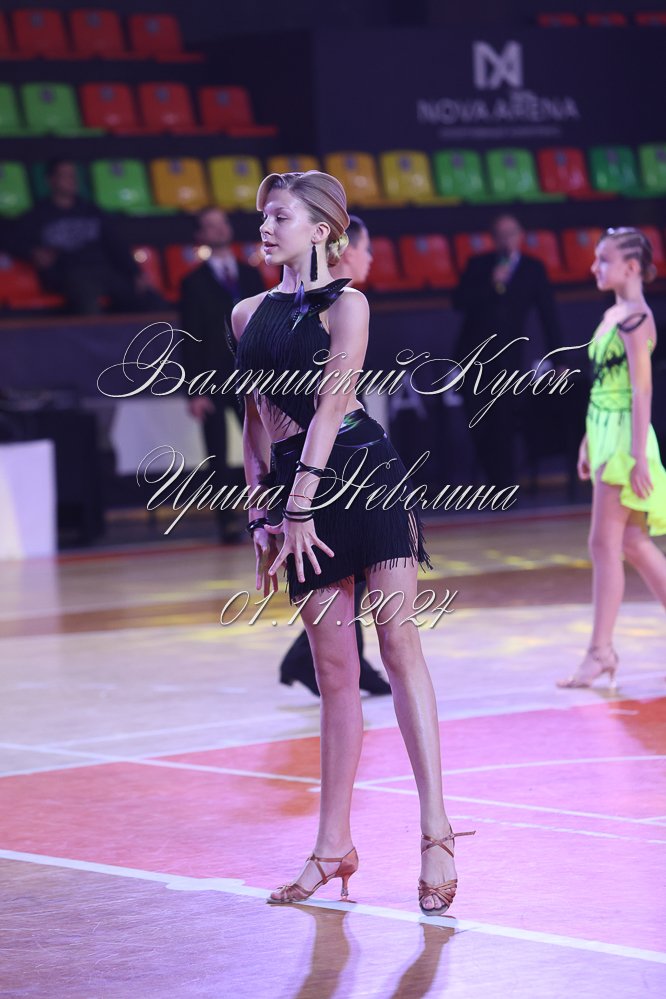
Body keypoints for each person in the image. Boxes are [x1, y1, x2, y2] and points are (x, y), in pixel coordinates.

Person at [229, 170, 474, 914]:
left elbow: (334, 406)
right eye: (264, 217)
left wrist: (300, 503)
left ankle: (436, 830)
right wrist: (262, 516)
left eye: (279, 217)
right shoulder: (245, 313)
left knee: (398, 647)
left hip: (366, 479)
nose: (265, 227)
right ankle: (332, 846)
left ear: (320, 231)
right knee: (335, 674)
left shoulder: (349, 303)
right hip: (295, 498)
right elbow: (254, 423)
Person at [277, 213, 390, 695]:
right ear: (346, 247)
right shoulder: (315, 306)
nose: (371, 259)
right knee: (341, 568)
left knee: (350, 570)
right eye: (367, 248)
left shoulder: (349, 306)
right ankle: (312, 660)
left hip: (343, 447)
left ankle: (326, 660)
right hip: (319, 455)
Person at [558, 228, 666, 690]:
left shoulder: (636, 318)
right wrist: (588, 440)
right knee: (633, 543)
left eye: (604, 260)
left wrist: (637, 455)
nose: (594, 267)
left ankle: (599, 651)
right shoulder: (612, 314)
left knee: (605, 545)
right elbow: (604, 384)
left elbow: (641, 389)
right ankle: (600, 652)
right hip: (604, 432)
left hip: (624, 437)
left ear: (632, 267)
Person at [452, 213, 562, 487]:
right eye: (500, 235)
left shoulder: (533, 269)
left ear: (520, 236)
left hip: (509, 359)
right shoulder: (479, 264)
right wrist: (490, 283)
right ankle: (492, 478)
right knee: (478, 421)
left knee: (504, 421)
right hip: (474, 357)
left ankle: (504, 485)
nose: (506, 240)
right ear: (493, 238)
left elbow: (548, 315)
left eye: (511, 234)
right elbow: (459, 302)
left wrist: (559, 358)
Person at [180, 206, 264, 543]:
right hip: (212, 377)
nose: (218, 230)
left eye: (221, 223)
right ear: (200, 235)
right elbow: (189, 338)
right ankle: (226, 521)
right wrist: (194, 389)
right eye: (210, 225)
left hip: (251, 376)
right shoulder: (192, 282)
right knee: (217, 452)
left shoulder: (251, 275)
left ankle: (269, 512)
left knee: (262, 446)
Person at [19, 159, 165, 315]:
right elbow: (13, 239)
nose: (72, 180)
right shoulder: (38, 215)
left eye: (73, 175)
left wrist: (136, 273)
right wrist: (33, 252)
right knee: (87, 301)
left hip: (103, 270)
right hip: (68, 274)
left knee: (150, 299)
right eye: (65, 175)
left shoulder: (92, 210)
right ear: (51, 180)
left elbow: (116, 244)